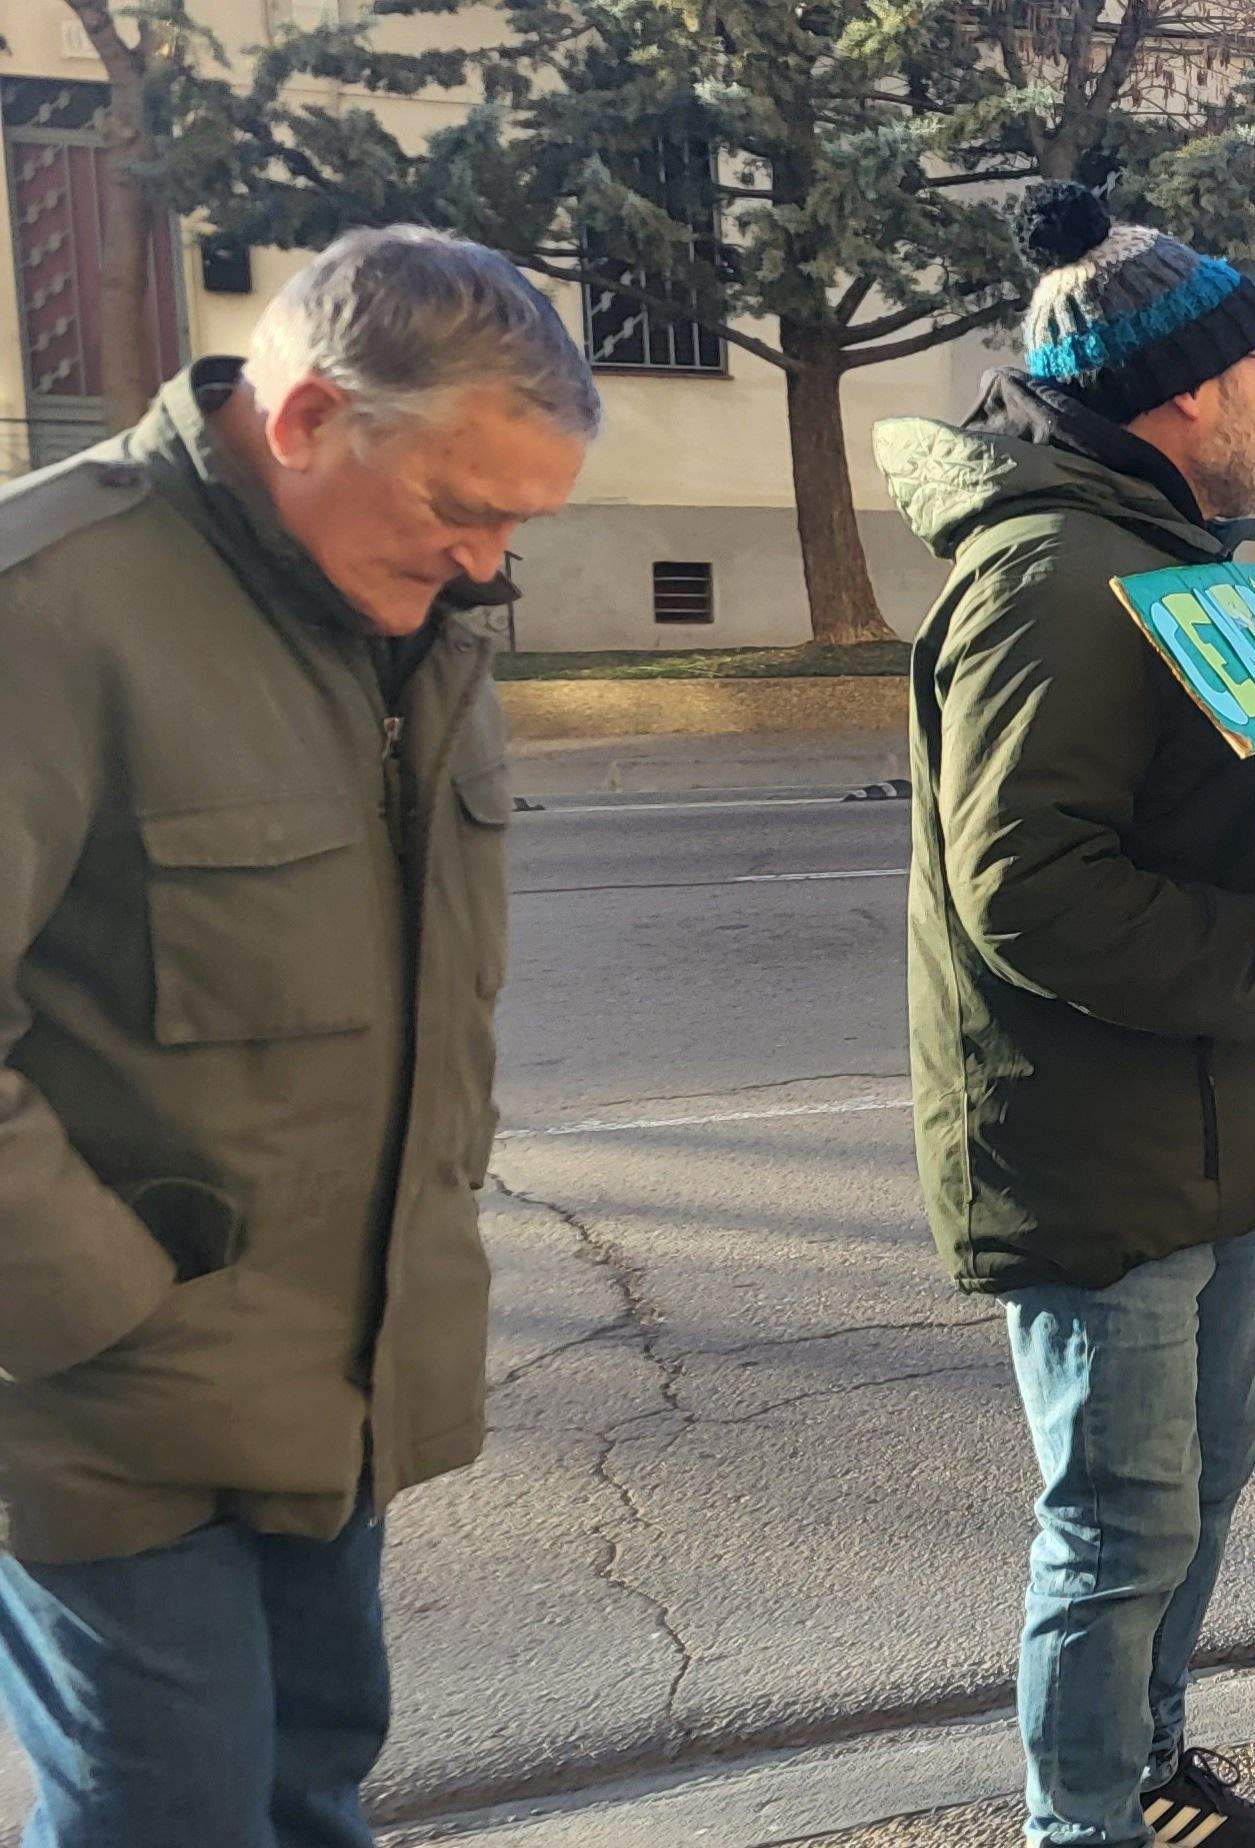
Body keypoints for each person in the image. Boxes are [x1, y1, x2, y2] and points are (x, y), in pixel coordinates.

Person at [0, 228, 592, 1847]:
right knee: (170, 1816)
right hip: (111, 1399)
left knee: (312, 1787)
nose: (486, 563)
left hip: (335, 1385)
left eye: (519, 524)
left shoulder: (407, 610)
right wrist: (106, 1308)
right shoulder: (51, 606)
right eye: (463, 509)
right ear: (309, 415)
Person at [883, 183, 1255, 1848]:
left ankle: (1143, 1768)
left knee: (1192, 1486)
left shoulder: (1154, 552)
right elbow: (1032, 886)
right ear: (1187, 396)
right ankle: (1085, 1820)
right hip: (1094, 1136)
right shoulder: (1054, 573)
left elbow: (1183, 811)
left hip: (1196, 1119)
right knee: (1119, 1516)